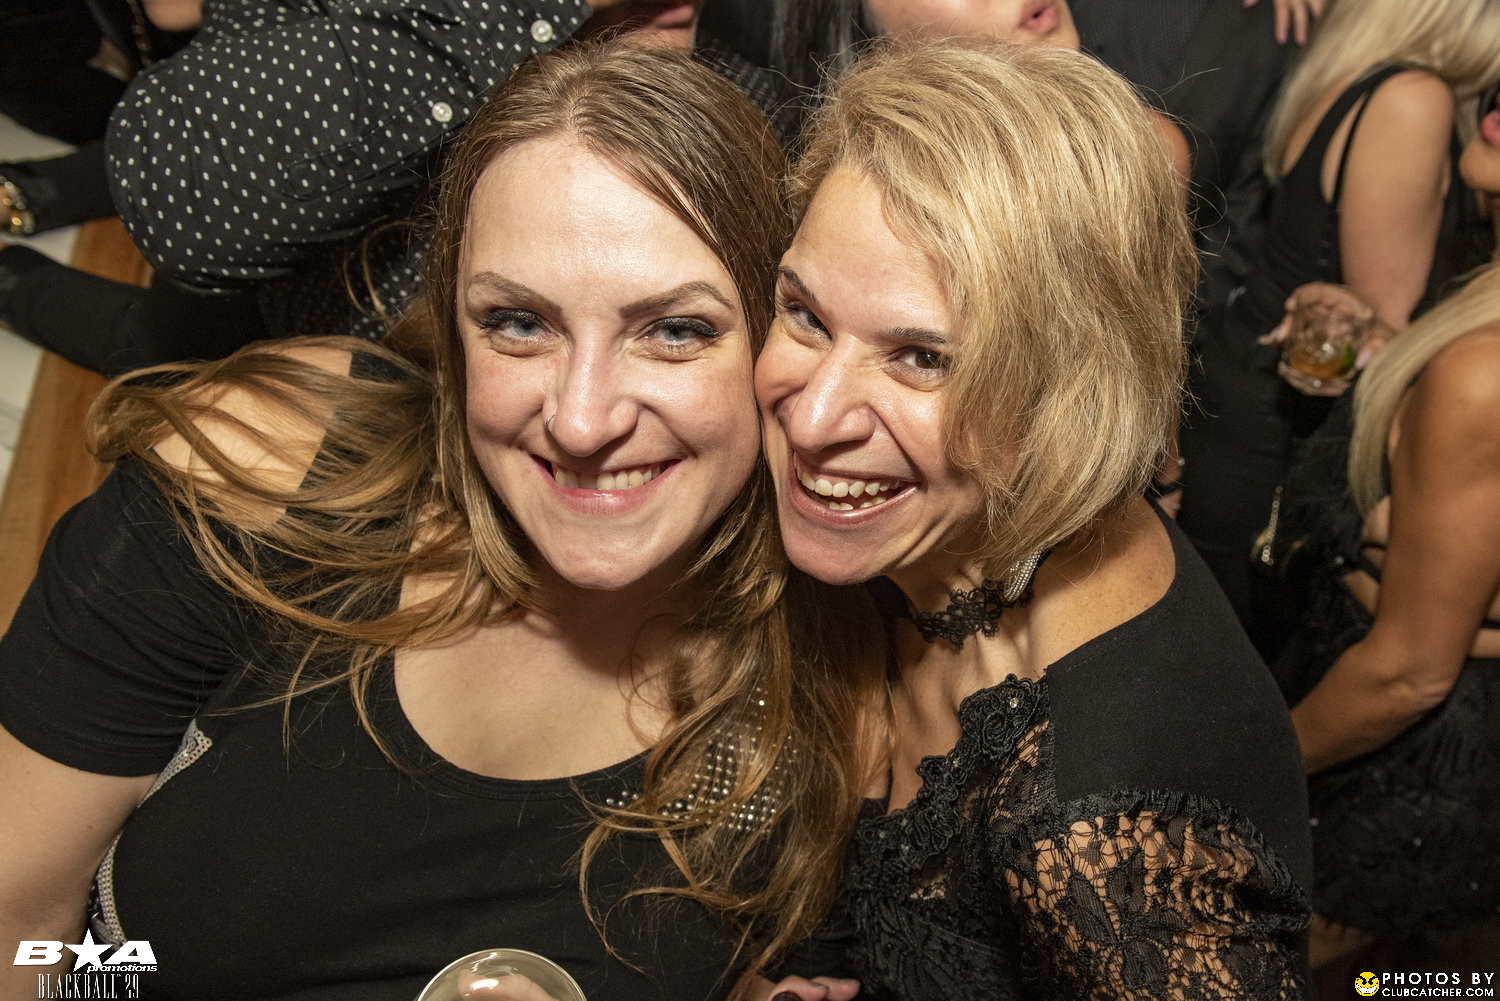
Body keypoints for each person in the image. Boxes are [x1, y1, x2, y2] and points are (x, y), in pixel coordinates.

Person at [0, 43, 876, 1001]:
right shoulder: (276, 479)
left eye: (674, 330)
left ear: (786, 341)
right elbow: (25, 932)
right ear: (455, 334)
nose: (582, 420)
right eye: (519, 322)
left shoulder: (830, 694)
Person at [758, 40, 1312, 999]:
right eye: (805, 314)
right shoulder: (948, 544)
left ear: (1069, 399)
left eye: (922, 358)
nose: (810, 419)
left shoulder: (1103, 834)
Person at [1260, 79, 1500, 980]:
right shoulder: (1479, 301)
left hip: (1398, 772)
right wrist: (1394, 350)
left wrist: (1246, 766)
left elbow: (1408, 672)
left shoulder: (1480, 375)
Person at [1176, 0, 1500, 644]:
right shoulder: (1413, 100)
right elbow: (1379, 338)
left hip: (1239, 398)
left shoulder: (1357, 67)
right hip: (1279, 439)